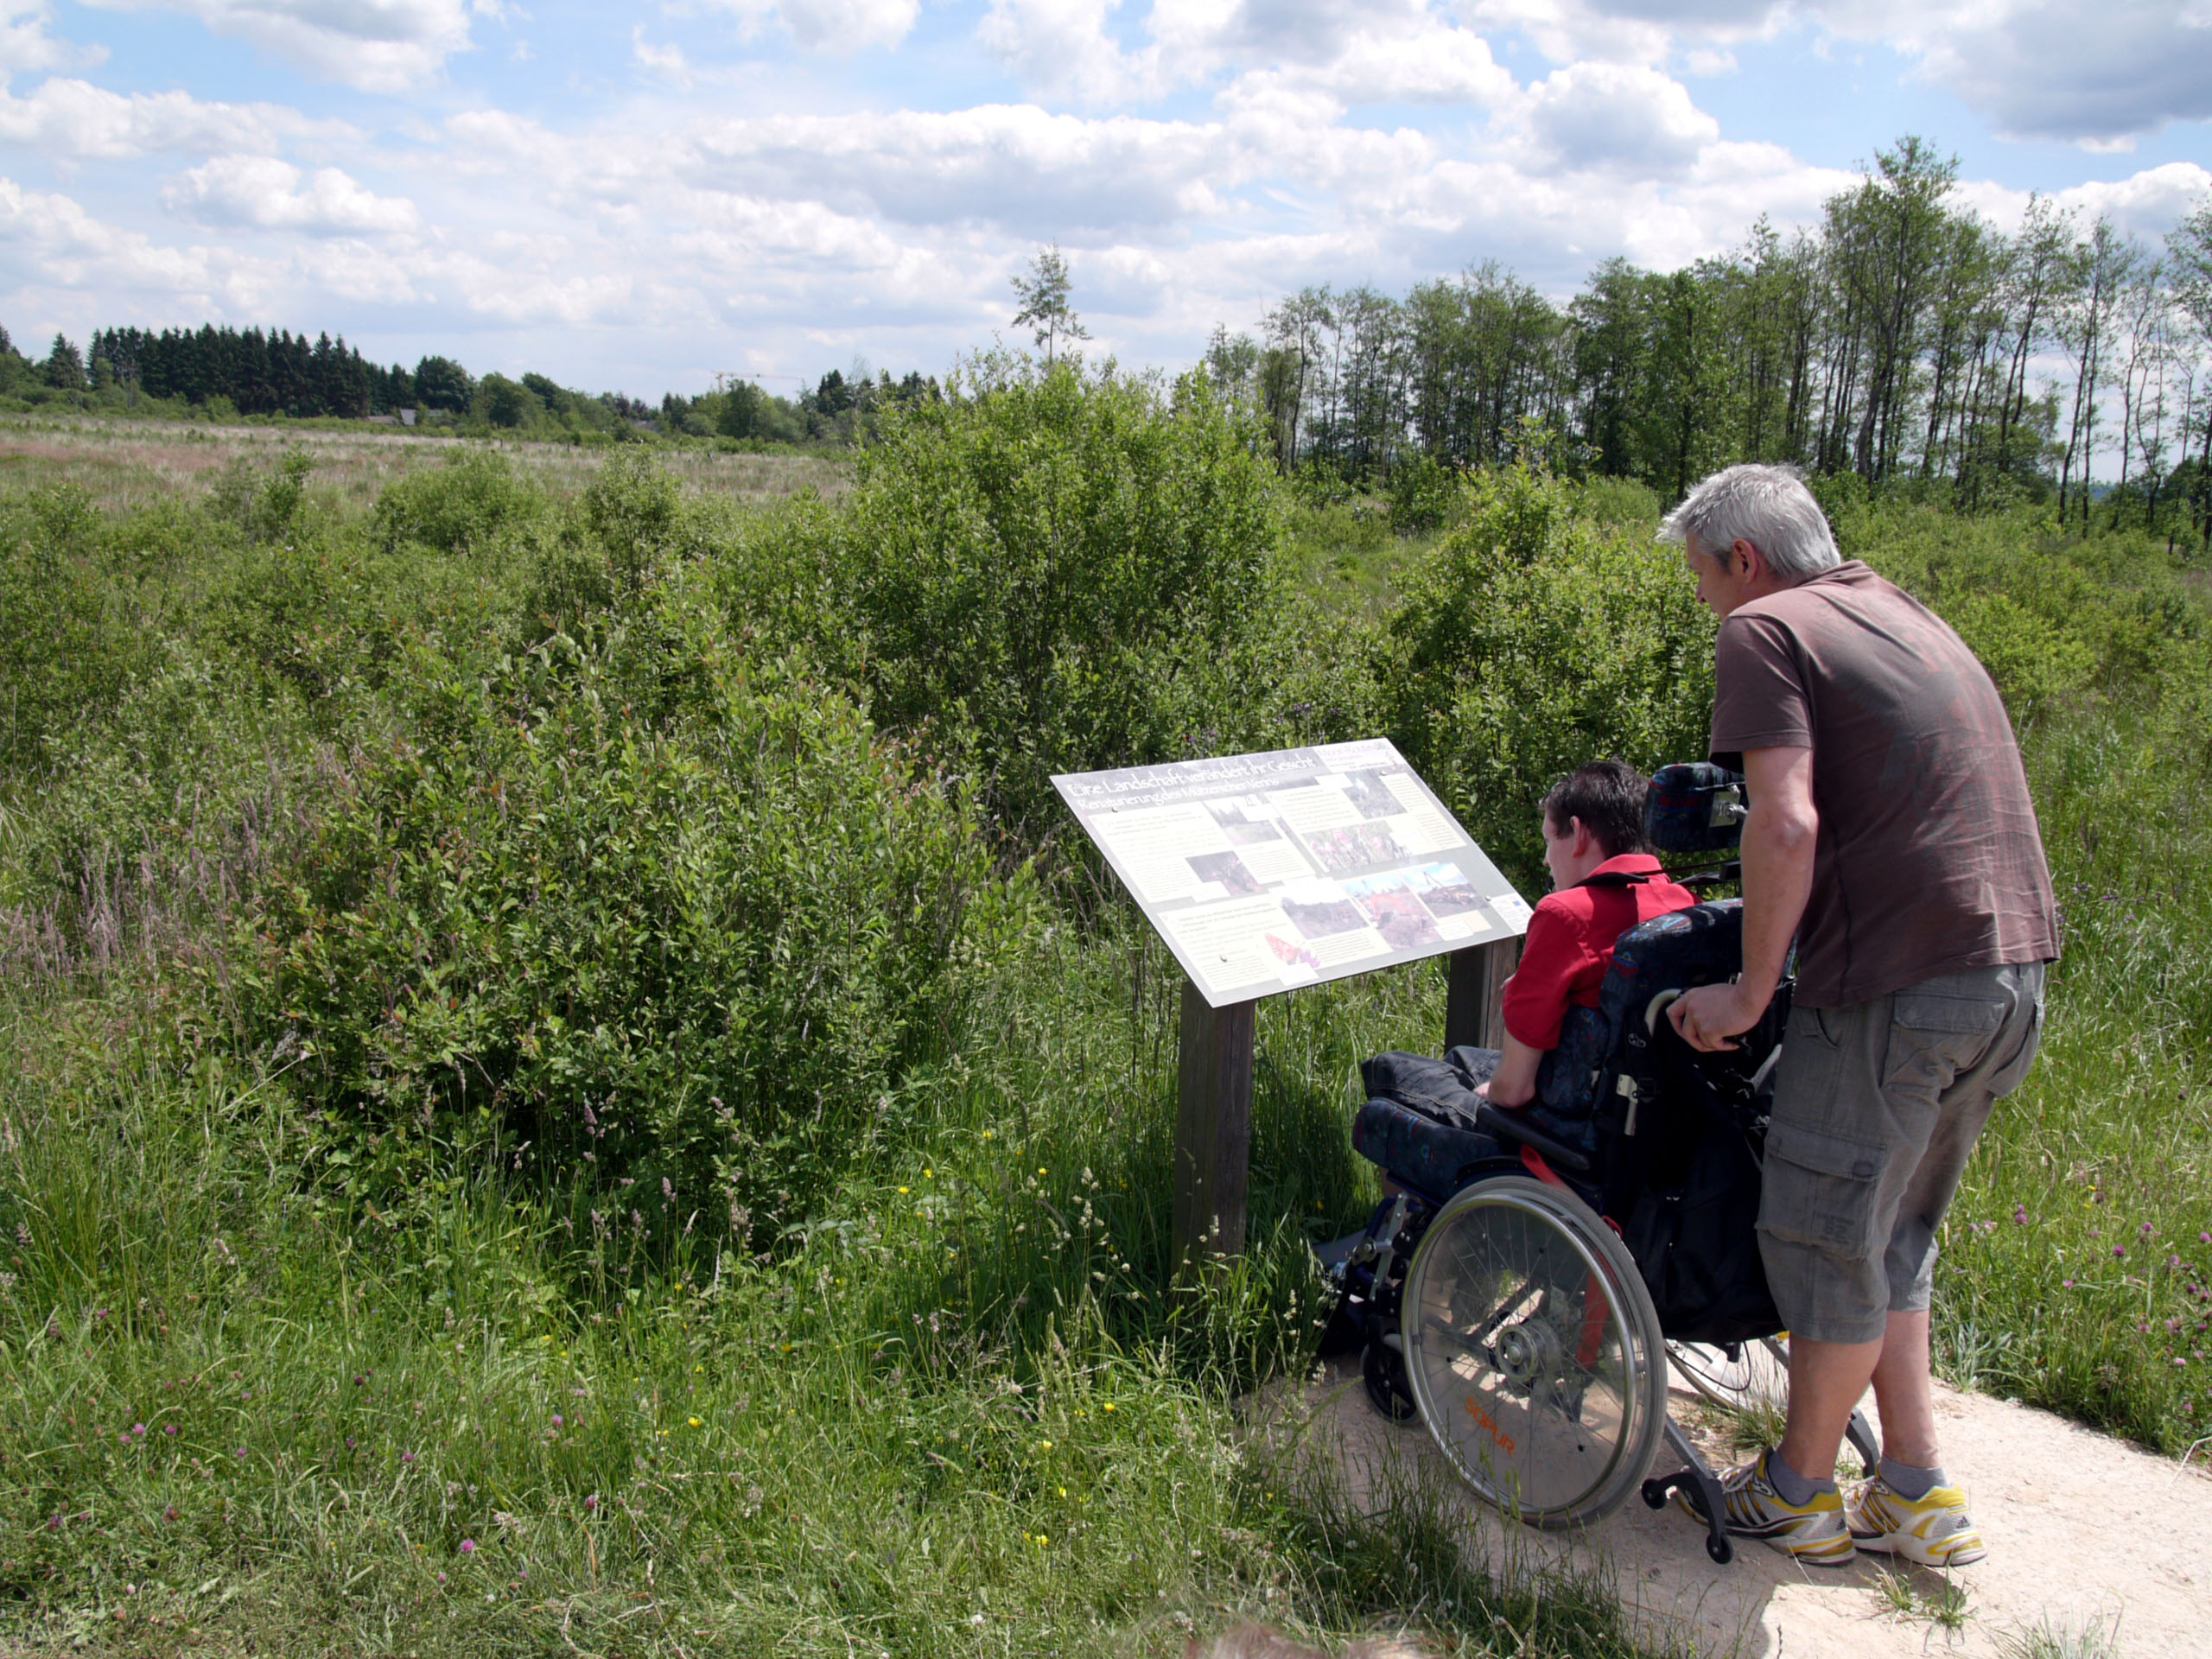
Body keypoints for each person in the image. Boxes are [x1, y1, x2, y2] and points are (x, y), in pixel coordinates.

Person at [1659, 463, 2056, 1569]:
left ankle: (1796, 1492)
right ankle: (1914, 1488)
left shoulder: (1770, 628)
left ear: (1742, 558)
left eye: (1700, 576)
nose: (1705, 600)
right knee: (1893, 1237)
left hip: (1898, 985)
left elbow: (1783, 824)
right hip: (2010, 970)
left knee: (1822, 1232)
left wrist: (1745, 992)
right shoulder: (1902, 612)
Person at [1471, 760, 1699, 1129]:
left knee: (1393, 1079)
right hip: (1656, 1122)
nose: (1546, 860)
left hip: (1575, 1128)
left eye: (1549, 840)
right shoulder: (1688, 905)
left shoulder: (1565, 914)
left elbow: (1513, 1090)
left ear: (1577, 833)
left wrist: (1490, 1091)